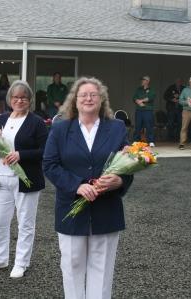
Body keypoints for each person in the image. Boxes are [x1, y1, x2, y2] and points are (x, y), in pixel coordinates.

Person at [43, 77, 133, 299]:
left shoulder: (117, 128)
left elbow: (129, 164)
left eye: (94, 94)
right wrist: (77, 185)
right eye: (83, 94)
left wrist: (119, 181)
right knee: (72, 266)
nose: (88, 98)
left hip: (107, 208)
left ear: (102, 99)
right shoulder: (60, 129)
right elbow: (50, 165)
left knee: (102, 270)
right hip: (70, 209)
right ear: (74, 100)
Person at [0, 80, 48, 279]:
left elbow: (45, 151)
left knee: (25, 223)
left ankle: (21, 263)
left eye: (24, 97)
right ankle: (0, 258)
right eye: (16, 97)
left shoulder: (37, 122)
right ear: (10, 99)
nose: (19, 101)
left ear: (29, 100)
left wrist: (21, 155)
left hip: (26, 179)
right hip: (1, 178)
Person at [132, 75, 156, 147]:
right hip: (139, 110)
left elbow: (151, 97)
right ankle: (136, 140)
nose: (142, 81)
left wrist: (141, 101)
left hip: (148, 110)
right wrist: (138, 101)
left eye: (143, 80)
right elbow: (134, 97)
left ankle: (151, 141)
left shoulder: (151, 89)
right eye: (142, 80)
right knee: (138, 125)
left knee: (149, 126)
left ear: (147, 81)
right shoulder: (138, 89)